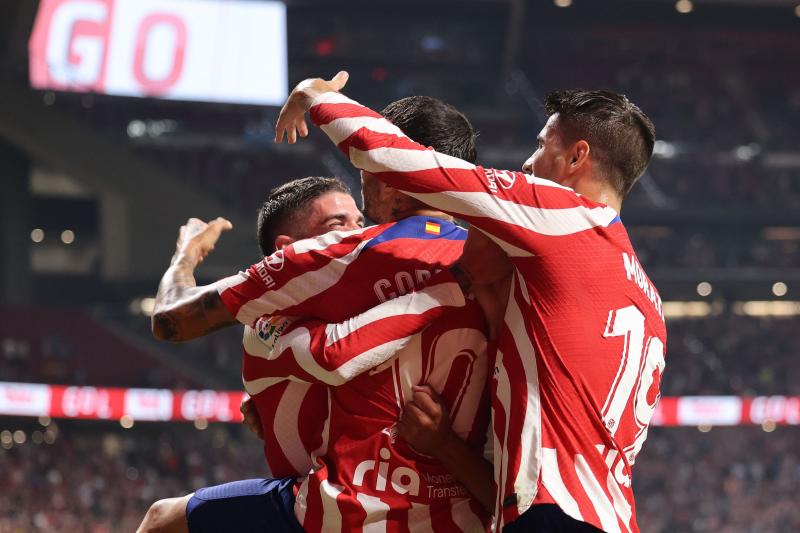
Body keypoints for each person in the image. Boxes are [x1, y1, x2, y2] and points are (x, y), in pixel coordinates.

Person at [274, 71, 667, 533]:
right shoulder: (647, 297)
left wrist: (314, 96)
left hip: (553, 516)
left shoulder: (562, 216)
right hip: (611, 517)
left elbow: (399, 161)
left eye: (542, 146)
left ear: (577, 156)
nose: (527, 162)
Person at [141, 97, 499, 532]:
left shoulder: (341, 256)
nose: (358, 215)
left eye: (366, 162)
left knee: (163, 520)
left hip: (350, 509)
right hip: (477, 511)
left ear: (390, 173)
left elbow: (172, 318)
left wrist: (186, 253)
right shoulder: (506, 266)